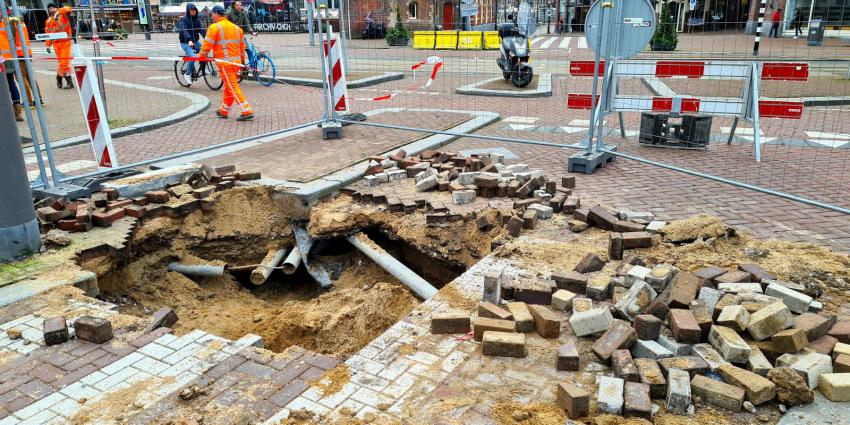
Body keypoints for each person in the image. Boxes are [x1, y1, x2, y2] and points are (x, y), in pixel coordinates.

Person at [200, 5, 254, 121]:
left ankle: (246, 110)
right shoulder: (237, 28)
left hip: (225, 63)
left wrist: (200, 57)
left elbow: (206, 45)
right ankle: (223, 110)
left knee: (231, 86)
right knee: (229, 86)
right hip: (236, 63)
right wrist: (242, 63)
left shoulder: (214, 27)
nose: (212, 16)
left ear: (215, 13)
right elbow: (242, 48)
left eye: (212, 14)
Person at [1, 10, 29, 121]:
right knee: (11, 84)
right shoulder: (7, 22)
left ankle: (14, 112)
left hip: (6, 60)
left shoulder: (7, 22)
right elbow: (18, 17)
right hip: (8, 60)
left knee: (10, 85)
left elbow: (18, 17)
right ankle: (16, 113)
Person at [45, 3, 73, 89]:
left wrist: (58, 12)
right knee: (62, 63)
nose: (51, 9)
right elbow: (48, 33)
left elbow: (68, 8)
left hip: (65, 42)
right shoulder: (48, 21)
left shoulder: (63, 15)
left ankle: (62, 78)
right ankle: (64, 79)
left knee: (64, 62)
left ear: (56, 8)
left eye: (53, 8)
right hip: (56, 44)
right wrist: (47, 45)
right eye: (49, 8)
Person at [176, 3, 205, 86]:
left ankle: (202, 69)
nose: (193, 12)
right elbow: (184, 30)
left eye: (194, 10)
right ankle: (188, 74)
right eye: (191, 10)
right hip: (186, 42)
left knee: (204, 51)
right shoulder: (183, 20)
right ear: (188, 11)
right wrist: (189, 40)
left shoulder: (197, 20)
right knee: (193, 57)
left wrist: (207, 38)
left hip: (195, 42)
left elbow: (202, 30)